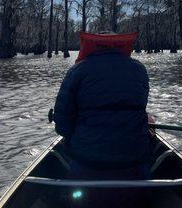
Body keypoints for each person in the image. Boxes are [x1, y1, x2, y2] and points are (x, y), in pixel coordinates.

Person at [53, 31, 151, 207]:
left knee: (68, 146)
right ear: (121, 47)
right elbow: (140, 110)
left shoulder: (77, 71)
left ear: (92, 47)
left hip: (87, 159)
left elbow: (62, 125)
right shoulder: (139, 69)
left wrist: (75, 134)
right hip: (133, 157)